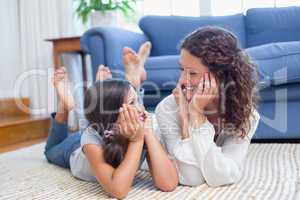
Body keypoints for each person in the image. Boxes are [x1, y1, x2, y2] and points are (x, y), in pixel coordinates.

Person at [44, 42, 178, 199]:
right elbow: (118, 191)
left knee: (118, 109)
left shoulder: (141, 127)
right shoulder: (91, 138)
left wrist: (146, 134)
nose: (142, 110)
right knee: (51, 151)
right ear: (113, 114)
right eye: (133, 103)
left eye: (137, 102)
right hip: (75, 148)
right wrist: (136, 141)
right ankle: (65, 107)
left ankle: (128, 82)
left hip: (105, 124)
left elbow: (168, 184)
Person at [155, 26, 261, 187]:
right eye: (182, 70)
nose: (182, 81)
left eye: (192, 73)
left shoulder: (247, 115)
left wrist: (196, 116)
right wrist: (186, 121)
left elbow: (225, 176)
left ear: (221, 76)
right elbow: (190, 178)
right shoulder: (168, 108)